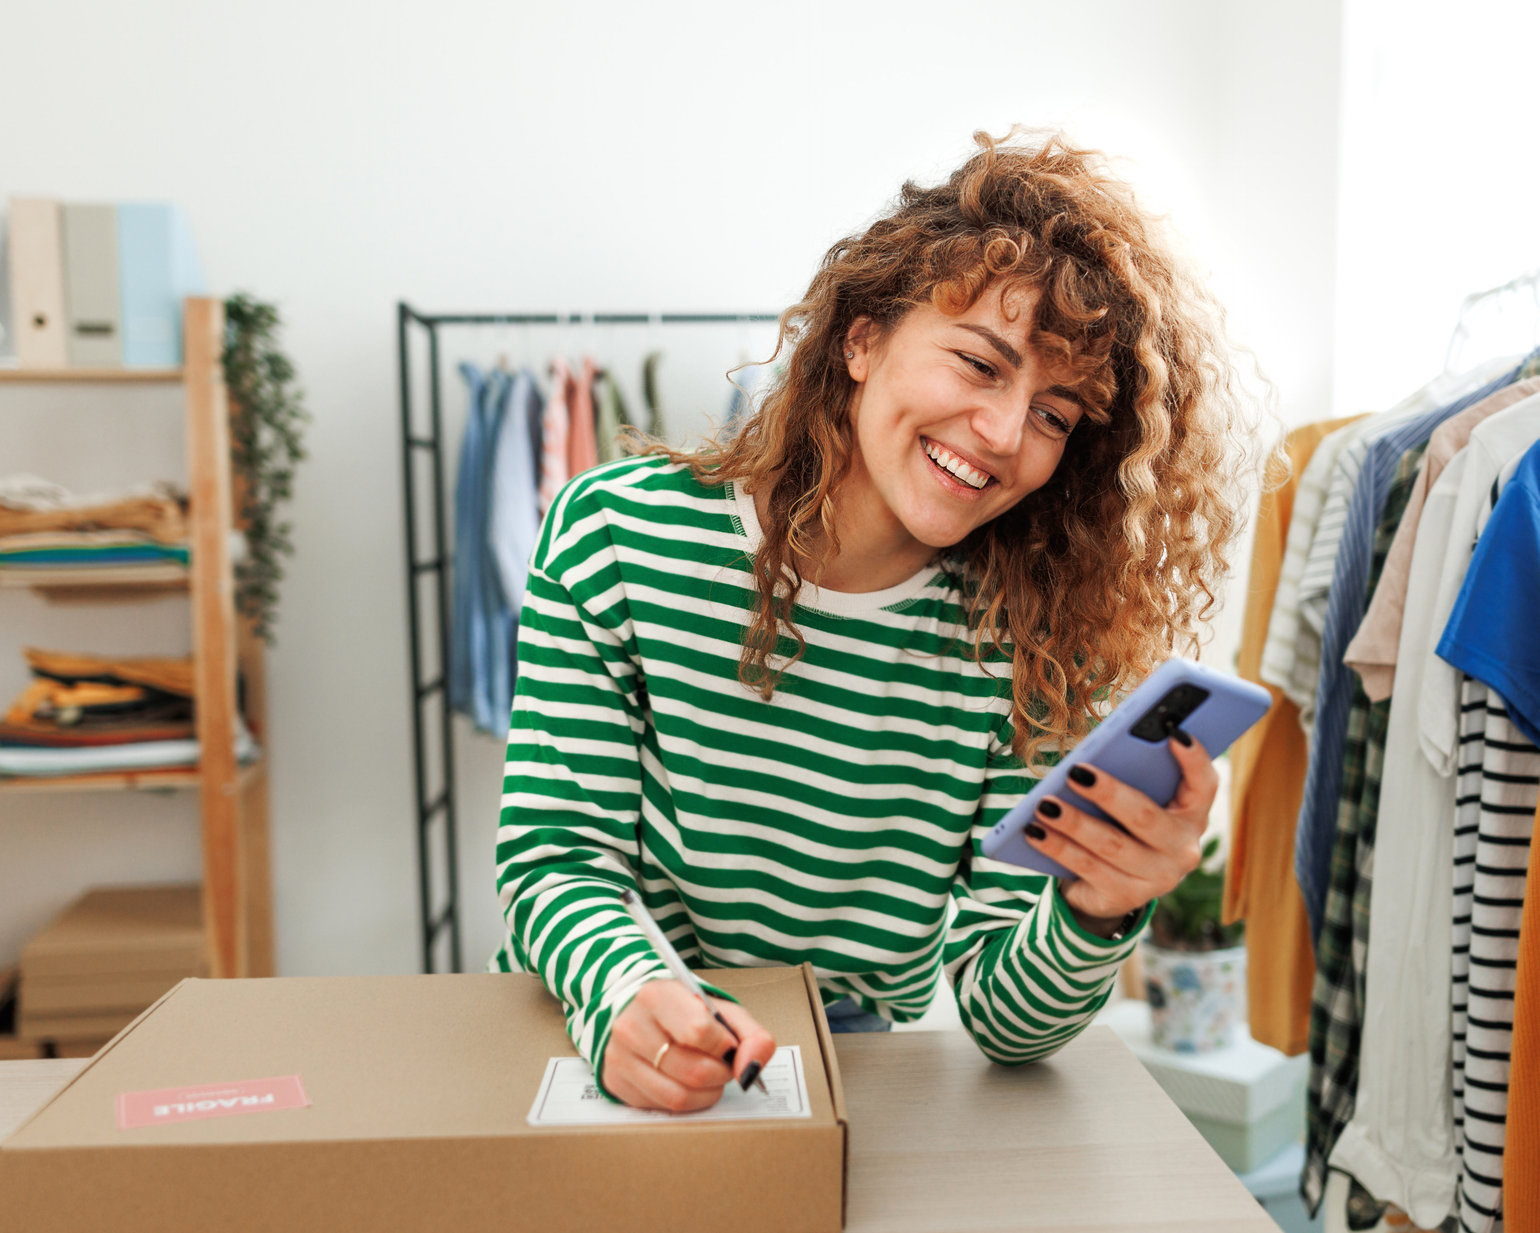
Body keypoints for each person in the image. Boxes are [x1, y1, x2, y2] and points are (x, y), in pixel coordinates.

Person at [492, 130, 1261, 1112]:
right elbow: (558, 854)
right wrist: (632, 992)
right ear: (861, 339)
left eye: (1053, 415)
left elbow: (1003, 1019)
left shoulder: (1036, 643)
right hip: (590, 1028)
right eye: (979, 365)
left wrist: (1097, 908)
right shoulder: (615, 534)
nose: (1002, 435)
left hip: (844, 1077)